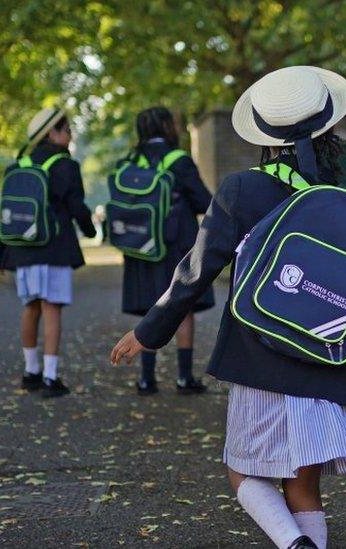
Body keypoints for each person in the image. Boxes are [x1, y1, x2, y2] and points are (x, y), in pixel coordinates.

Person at [110, 66, 346, 549]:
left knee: (243, 472)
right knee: (304, 484)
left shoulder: (241, 190)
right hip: (329, 359)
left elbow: (195, 270)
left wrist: (148, 331)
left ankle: (292, 544)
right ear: (330, 127)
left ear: (264, 134)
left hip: (260, 357)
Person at [0, 107, 97, 399]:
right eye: (66, 129)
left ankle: (30, 371)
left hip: (23, 249)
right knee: (52, 308)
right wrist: (91, 231)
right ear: (51, 133)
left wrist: (0, 255)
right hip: (54, 248)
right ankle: (51, 377)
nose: (70, 134)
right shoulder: (65, 166)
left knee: (31, 307)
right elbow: (77, 206)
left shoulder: (18, 165)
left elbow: (8, 212)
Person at [118, 106, 214, 395]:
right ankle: (184, 377)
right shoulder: (178, 161)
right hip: (177, 244)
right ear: (165, 126)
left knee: (151, 305)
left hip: (140, 245)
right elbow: (203, 201)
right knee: (182, 306)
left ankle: (147, 379)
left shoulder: (130, 161)